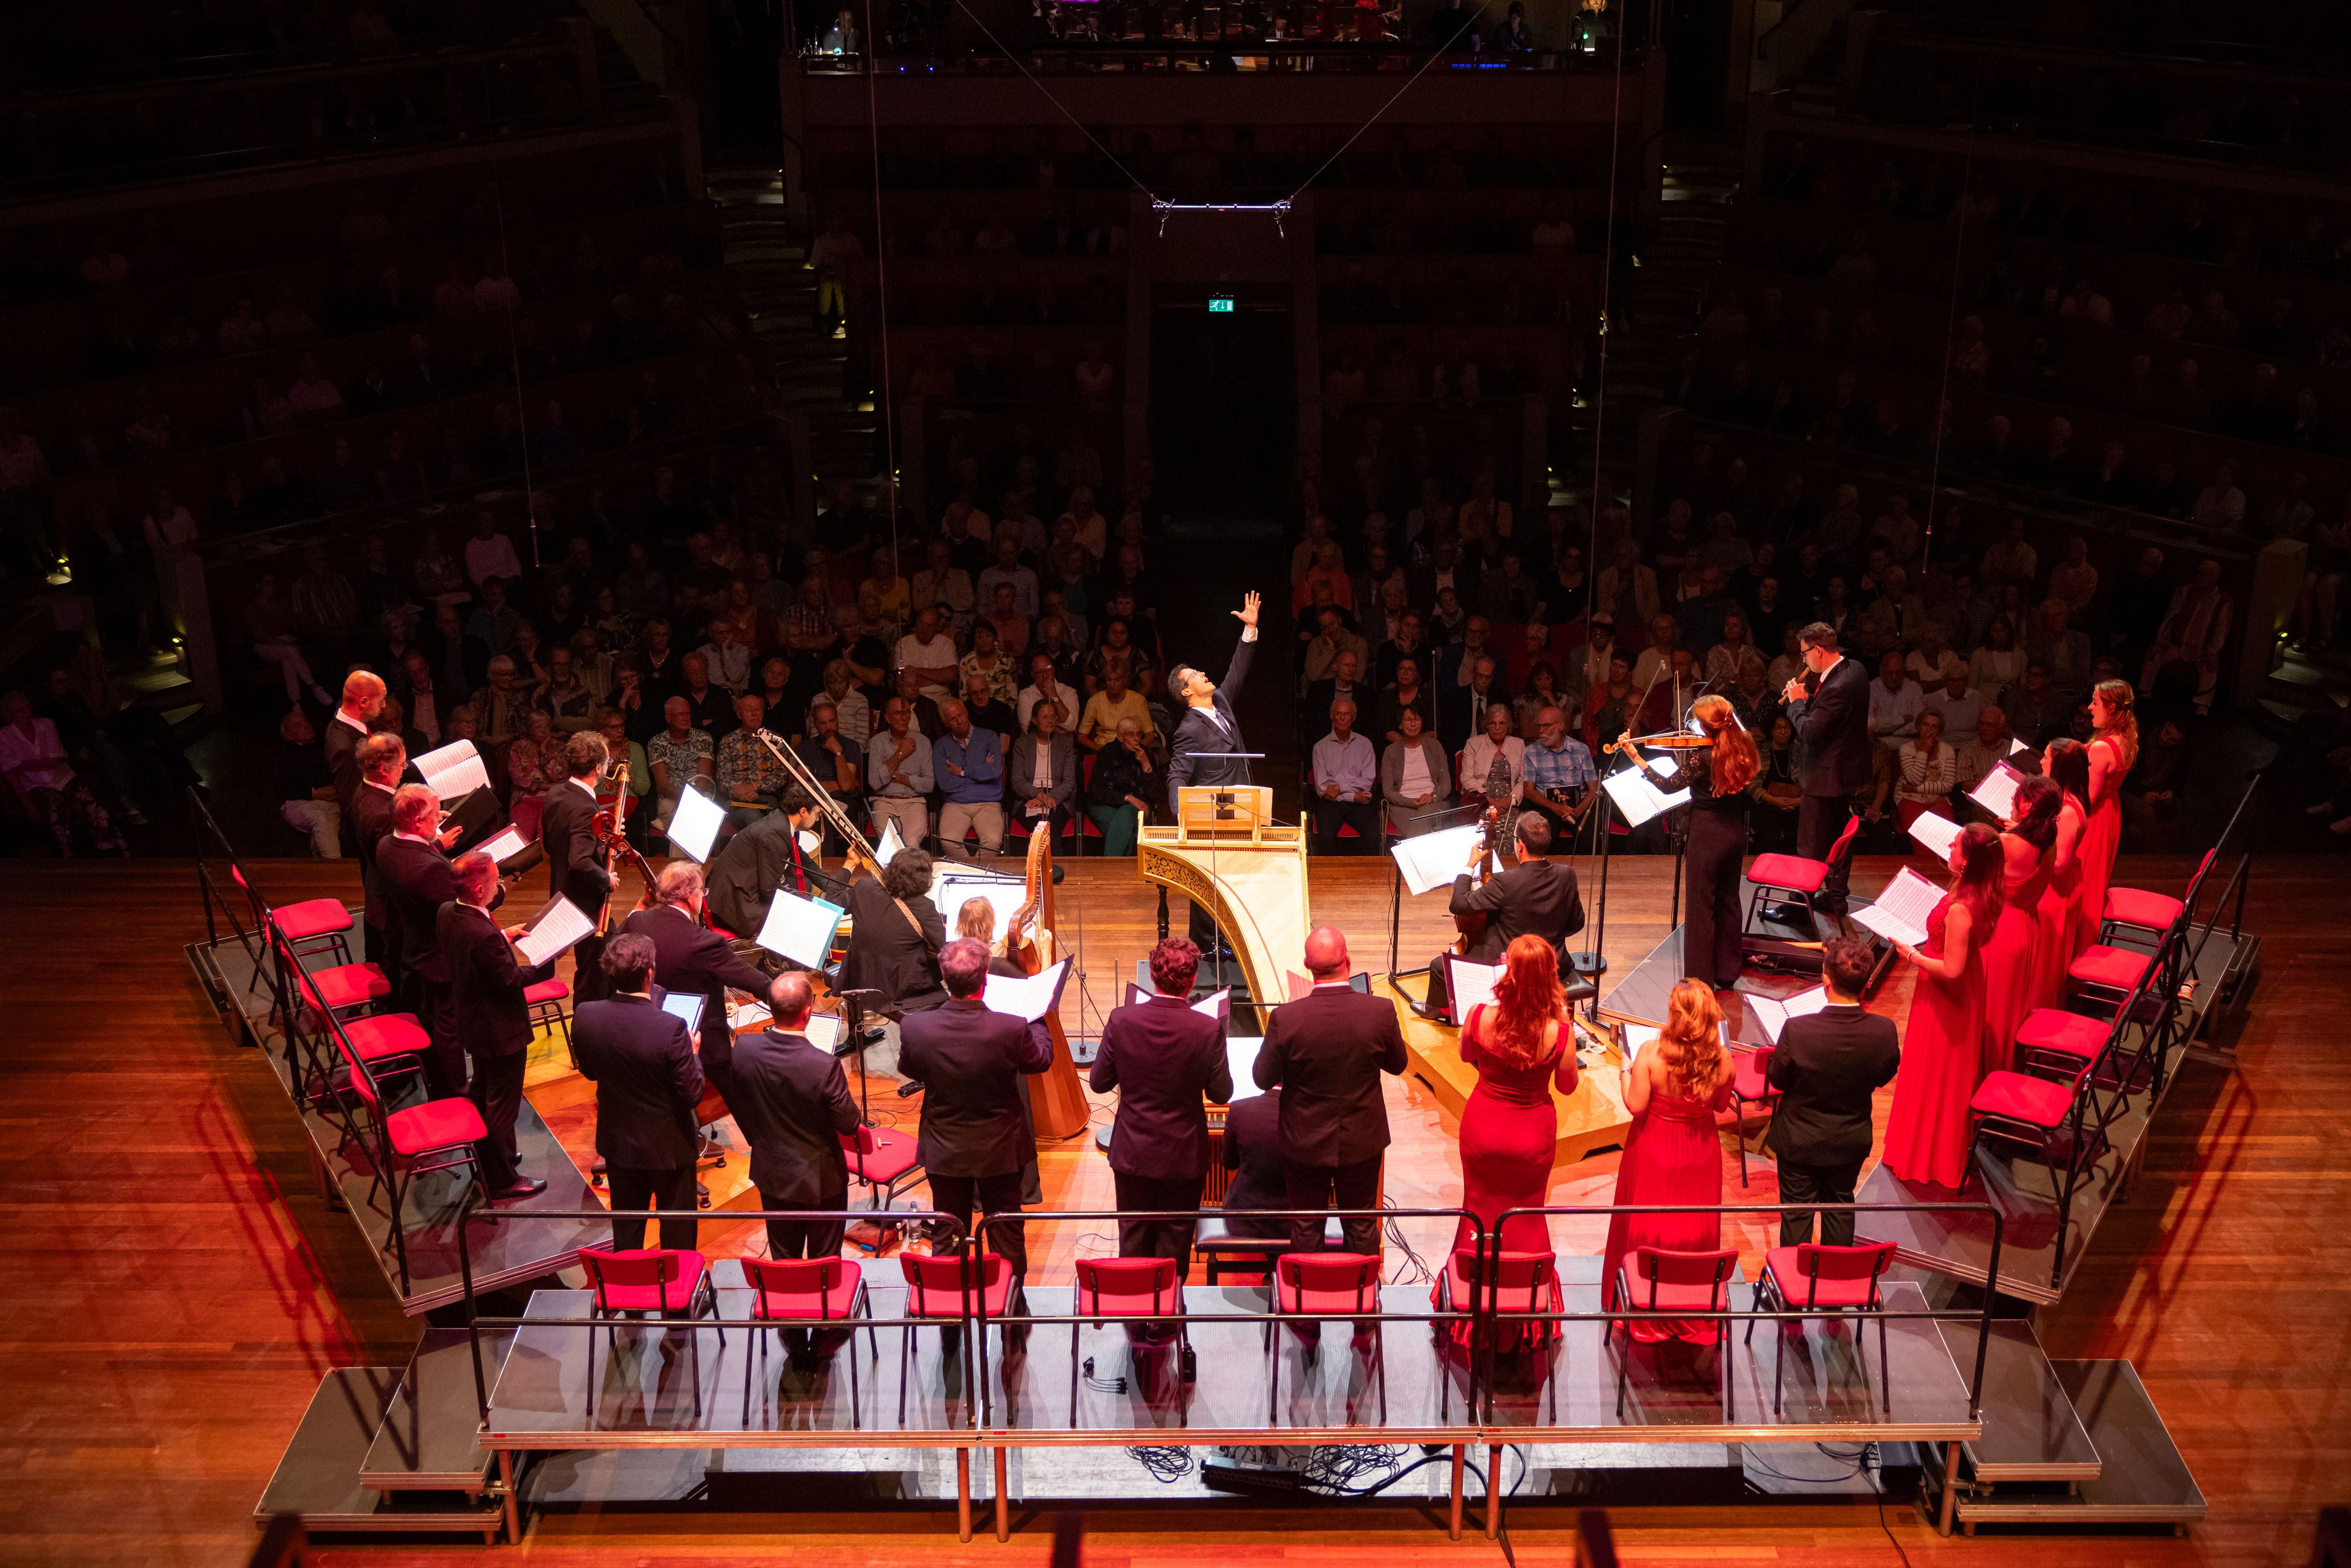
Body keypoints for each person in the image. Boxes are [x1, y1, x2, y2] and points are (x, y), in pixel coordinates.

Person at [1436, 933, 1578, 1348]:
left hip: (1483, 1128)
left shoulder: (1480, 1016)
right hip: (1532, 1135)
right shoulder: (1560, 1032)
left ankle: (1469, 1302)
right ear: (1550, 977)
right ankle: (1524, 1308)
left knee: (1477, 1210)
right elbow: (1567, 1088)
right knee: (1526, 1215)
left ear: (1509, 974)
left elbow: (1466, 1055)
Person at [1090, 937, 1234, 1312]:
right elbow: (1222, 1093)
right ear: (1191, 982)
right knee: (1175, 1243)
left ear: (1152, 974)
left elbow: (1100, 1083)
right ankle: (1166, 1319)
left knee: (1133, 1240)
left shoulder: (1122, 1020)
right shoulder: (1206, 1029)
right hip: (1183, 1156)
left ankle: (1134, 1320)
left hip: (1133, 1153)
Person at [899, 938, 1051, 1281]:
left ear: (943, 976)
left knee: (948, 1236)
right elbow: (1041, 1060)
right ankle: (1012, 1311)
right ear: (986, 978)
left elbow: (911, 1069)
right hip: (1000, 1150)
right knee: (1006, 1235)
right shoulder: (1011, 1028)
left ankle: (951, 1314)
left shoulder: (916, 1028)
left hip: (945, 1149)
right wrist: (1036, 1018)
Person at [1251, 926, 1407, 1257]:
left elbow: (1262, 1079)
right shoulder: (1380, 1011)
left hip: (1304, 1141)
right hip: (1362, 1139)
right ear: (1348, 960)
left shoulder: (1287, 1018)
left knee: (1306, 1225)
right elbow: (1397, 1066)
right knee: (1362, 1223)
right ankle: (1362, 1299)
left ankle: (1307, 1301)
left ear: (1307, 966)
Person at [1599, 978, 1734, 1343]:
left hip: (1654, 1149)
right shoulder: (1723, 1058)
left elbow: (1635, 1106)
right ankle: (1688, 1303)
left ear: (1676, 1015)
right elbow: (1721, 1106)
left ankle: (1643, 1303)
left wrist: (1625, 1071)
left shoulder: (1649, 1052)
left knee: (1648, 1223)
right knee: (1693, 1225)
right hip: (1700, 1151)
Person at [1879, 824, 2004, 1190]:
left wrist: (1912, 956)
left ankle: (1928, 1156)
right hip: (1953, 989)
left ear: (1968, 862)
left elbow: (1952, 969)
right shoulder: (1976, 889)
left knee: (1936, 1074)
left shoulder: (1962, 909)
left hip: (1947, 997)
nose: (1949, 843)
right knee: (1934, 1071)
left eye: (1957, 844)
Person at [1615, 694, 1757, 991]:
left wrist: (1636, 757)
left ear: (1707, 726)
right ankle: (1728, 971)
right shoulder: (1742, 746)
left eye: (1696, 722)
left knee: (1701, 907)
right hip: (1733, 831)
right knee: (1729, 900)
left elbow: (1668, 786)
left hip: (1707, 833)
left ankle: (1700, 978)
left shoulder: (1705, 757)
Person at [1763, 936, 1898, 1247]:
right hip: (1850, 1140)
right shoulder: (1884, 1031)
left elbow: (1779, 1080)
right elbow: (1884, 1075)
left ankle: (1794, 1288)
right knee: (1840, 1208)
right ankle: (1835, 1288)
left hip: (1799, 1140)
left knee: (1797, 1214)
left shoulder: (1798, 1029)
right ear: (1865, 984)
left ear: (1826, 979)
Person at [573, 934, 704, 1251]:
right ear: (649, 975)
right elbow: (692, 1093)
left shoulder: (586, 1015)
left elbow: (591, 1072)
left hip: (619, 1143)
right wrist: (694, 1053)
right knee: (678, 1239)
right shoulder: (672, 1028)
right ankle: (679, 1297)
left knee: (628, 1235)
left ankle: (627, 1297)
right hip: (669, 1148)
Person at [729, 971, 861, 1272]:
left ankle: (790, 1320)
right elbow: (849, 1124)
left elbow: (741, 1099)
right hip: (820, 1182)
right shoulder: (824, 1065)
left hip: (773, 1176)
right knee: (825, 1266)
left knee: (784, 1262)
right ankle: (827, 1319)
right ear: (808, 1012)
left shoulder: (745, 1050)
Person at [438, 849, 547, 1198]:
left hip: (474, 1022)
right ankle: (501, 1180)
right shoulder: (482, 934)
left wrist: (503, 938)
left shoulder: (448, 911)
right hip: (501, 1031)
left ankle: (494, 1158)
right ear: (479, 889)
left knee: (485, 1093)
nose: (499, 884)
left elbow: (477, 952)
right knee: (502, 1105)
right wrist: (546, 961)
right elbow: (509, 980)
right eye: (496, 880)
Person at [619, 861, 773, 1101]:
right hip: (696, 1041)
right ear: (691, 897)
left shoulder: (637, 922)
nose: (703, 897)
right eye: (702, 891)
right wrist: (785, 992)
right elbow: (753, 981)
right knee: (743, 1096)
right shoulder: (704, 942)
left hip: (643, 1033)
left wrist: (643, 904)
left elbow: (612, 944)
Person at [1432, 810, 1585, 1016]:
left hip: (1513, 969)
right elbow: (1577, 923)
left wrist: (1470, 865)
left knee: (1439, 966)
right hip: (1553, 966)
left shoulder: (1506, 882)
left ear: (1520, 845)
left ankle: (1442, 1013)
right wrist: (1547, 931)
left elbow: (1459, 904)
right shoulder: (1567, 875)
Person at [374, 783, 468, 1095]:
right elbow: (461, 908)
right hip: (436, 958)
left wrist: (436, 846)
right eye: (435, 816)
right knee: (447, 1030)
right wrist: (498, 890)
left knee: (428, 1020)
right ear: (416, 822)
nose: (440, 821)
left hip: (412, 945)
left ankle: (430, 1072)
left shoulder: (387, 844)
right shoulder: (429, 869)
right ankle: (453, 1091)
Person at [1781, 621, 1874, 913]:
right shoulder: (1855, 669)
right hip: (1843, 773)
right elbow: (1832, 719)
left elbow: (1809, 732)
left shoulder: (1838, 686)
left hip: (1826, 777)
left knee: (1810, 846)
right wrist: (1810, 701)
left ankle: (1802, 906)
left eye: (1805, 654)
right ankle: (1835, 897)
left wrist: (1796, 704)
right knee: (1838, 839)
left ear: (1819, 650)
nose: (1804, 661)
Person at [1982, 776, 2059, 1073]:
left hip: (1998, 929)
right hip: (2027, 926)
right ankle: (2007, 1068)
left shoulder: (2004, 844)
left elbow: (1972, 879)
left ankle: (1989, 1074)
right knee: (2011, 1009)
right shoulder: (2047, 841)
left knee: (1991, 1012)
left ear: (2026, 805)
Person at [1164, 591, 1262, 813]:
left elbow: (1238, 671)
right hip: (1218, 808)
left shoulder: (1220, 699)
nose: (1203, 673)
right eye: (1195, 675)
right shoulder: (1188, 729)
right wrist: (1181, 813)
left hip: (1247, 798)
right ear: (1187, 691)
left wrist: (1250, 630)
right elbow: (1178, 773)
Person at [540, 731, 618, 1001]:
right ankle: (589, 1027)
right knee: (596, 972)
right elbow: (580, 861)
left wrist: (604, 841)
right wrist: (607, 879)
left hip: (562, 893)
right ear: (598, 768)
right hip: (585, 902)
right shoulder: (585, 806)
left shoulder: (556, 793)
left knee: (596, 964)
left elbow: (552, 846)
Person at [706, 788, 832, 939]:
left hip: (733, 893)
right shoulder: (775, 835)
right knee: (808, 917)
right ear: (803, 812)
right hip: (737, 909)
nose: (817, 819)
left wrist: (831, 886)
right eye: (817, 814)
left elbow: (801, 857)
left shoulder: (780, 821)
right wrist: (800, 904)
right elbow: (769, 890)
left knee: (804, 888)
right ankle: (782, 961)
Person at [842, 846, 948, 1014]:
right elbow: (943, 950)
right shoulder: (925, 907)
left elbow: (833, 899)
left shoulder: (864, 887)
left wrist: (849, 864)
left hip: (859, 979)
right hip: (901, 993)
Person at [2075, 679, 2137, 955]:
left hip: (2094, 819)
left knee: (2083, 885)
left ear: (2111, 708)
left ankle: (2075, 952)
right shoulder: (2126, 738)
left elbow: (2087, 799)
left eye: (2095, 703)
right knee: (2093, 881)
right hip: (2110, 813)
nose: (2089, 708)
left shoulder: (2101, 748)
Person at [2036, 742, 2091, 1007]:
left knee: (2046, 959)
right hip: (2056, 885)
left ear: (2059, 766)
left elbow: (2059, 863)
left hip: (2056, 891)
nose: (2041, 763)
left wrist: (2029, 839)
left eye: (2046, 758)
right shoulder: (2063, 800)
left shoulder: (2068, 811)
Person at [346, 733, 405, 969]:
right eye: (402, 764)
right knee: (390, 966)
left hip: (375, 891)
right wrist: (437, 842)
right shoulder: (383, 812)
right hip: (389, 906)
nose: (404, 770)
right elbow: (397, 863)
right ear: (383, 769)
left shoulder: (363, 789)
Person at [1310, 698, 1380, 855]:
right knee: (1326, 839)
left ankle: (1366, 877)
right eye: (1339, 714)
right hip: (1331, 803)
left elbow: (1367, 782)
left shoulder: (1365, 744)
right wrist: (1352, 796)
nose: (1342, 718)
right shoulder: (1320, 747)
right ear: (1332, 716)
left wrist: (1340, 788)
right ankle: (1331, 877)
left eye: (1346, 714)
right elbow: (1323, 789)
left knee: (1373, 837)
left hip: (1360, 803)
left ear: (1354, 717)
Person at [865, 695, 934, 850]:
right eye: (898, 713)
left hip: (914, 802)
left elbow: (929, 785)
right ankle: (893, 875)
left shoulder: (923, 742)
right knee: (891, 844)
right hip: (884, 801)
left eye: (907, 712)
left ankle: (912, 875)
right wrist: (900, 754)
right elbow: (875, 783)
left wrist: (895, 777)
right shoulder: (877, 742)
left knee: (911, 843)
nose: (904, 718)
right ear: (888, 718)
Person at [1008, 698, 1078, 845]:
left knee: (1050, 828)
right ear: (1034, 720)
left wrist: (1049, 798)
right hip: (1029, 798)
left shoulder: (1065, 743)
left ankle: (1055, 867)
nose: (1050, 721)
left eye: (1053, 717)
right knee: (1038, 828)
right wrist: (1039, 796)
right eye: (1045, 717)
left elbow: (1069, 782)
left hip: (1059, 798)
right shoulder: (1022, 744)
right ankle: (1039, 867)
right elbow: (1018, 781)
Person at [276, 710, 341, 857]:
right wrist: (313, 793)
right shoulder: (286, 755)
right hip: (298, 802)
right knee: (320, 820)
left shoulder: (319, 746)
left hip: (328, 802)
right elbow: (282, 789)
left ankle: (320, 870)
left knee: (328, 829)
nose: (306, 726)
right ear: (289, 735)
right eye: (298, 725)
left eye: (306, 722)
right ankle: (336, 871)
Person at [1086, 717, 1155, 855]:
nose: (1136, 739)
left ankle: (1109, 872)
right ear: (1120, 737)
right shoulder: (1106, 753)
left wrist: (1146, 765)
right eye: (1131, 734)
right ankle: (1119, 872)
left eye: (1139, 734)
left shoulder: (1147, 754)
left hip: (1136, 808)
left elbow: (1154, 795)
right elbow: (1097, 790)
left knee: (1124, 817)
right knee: (1123, 828)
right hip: (1103, 805)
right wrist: (1128, 798)